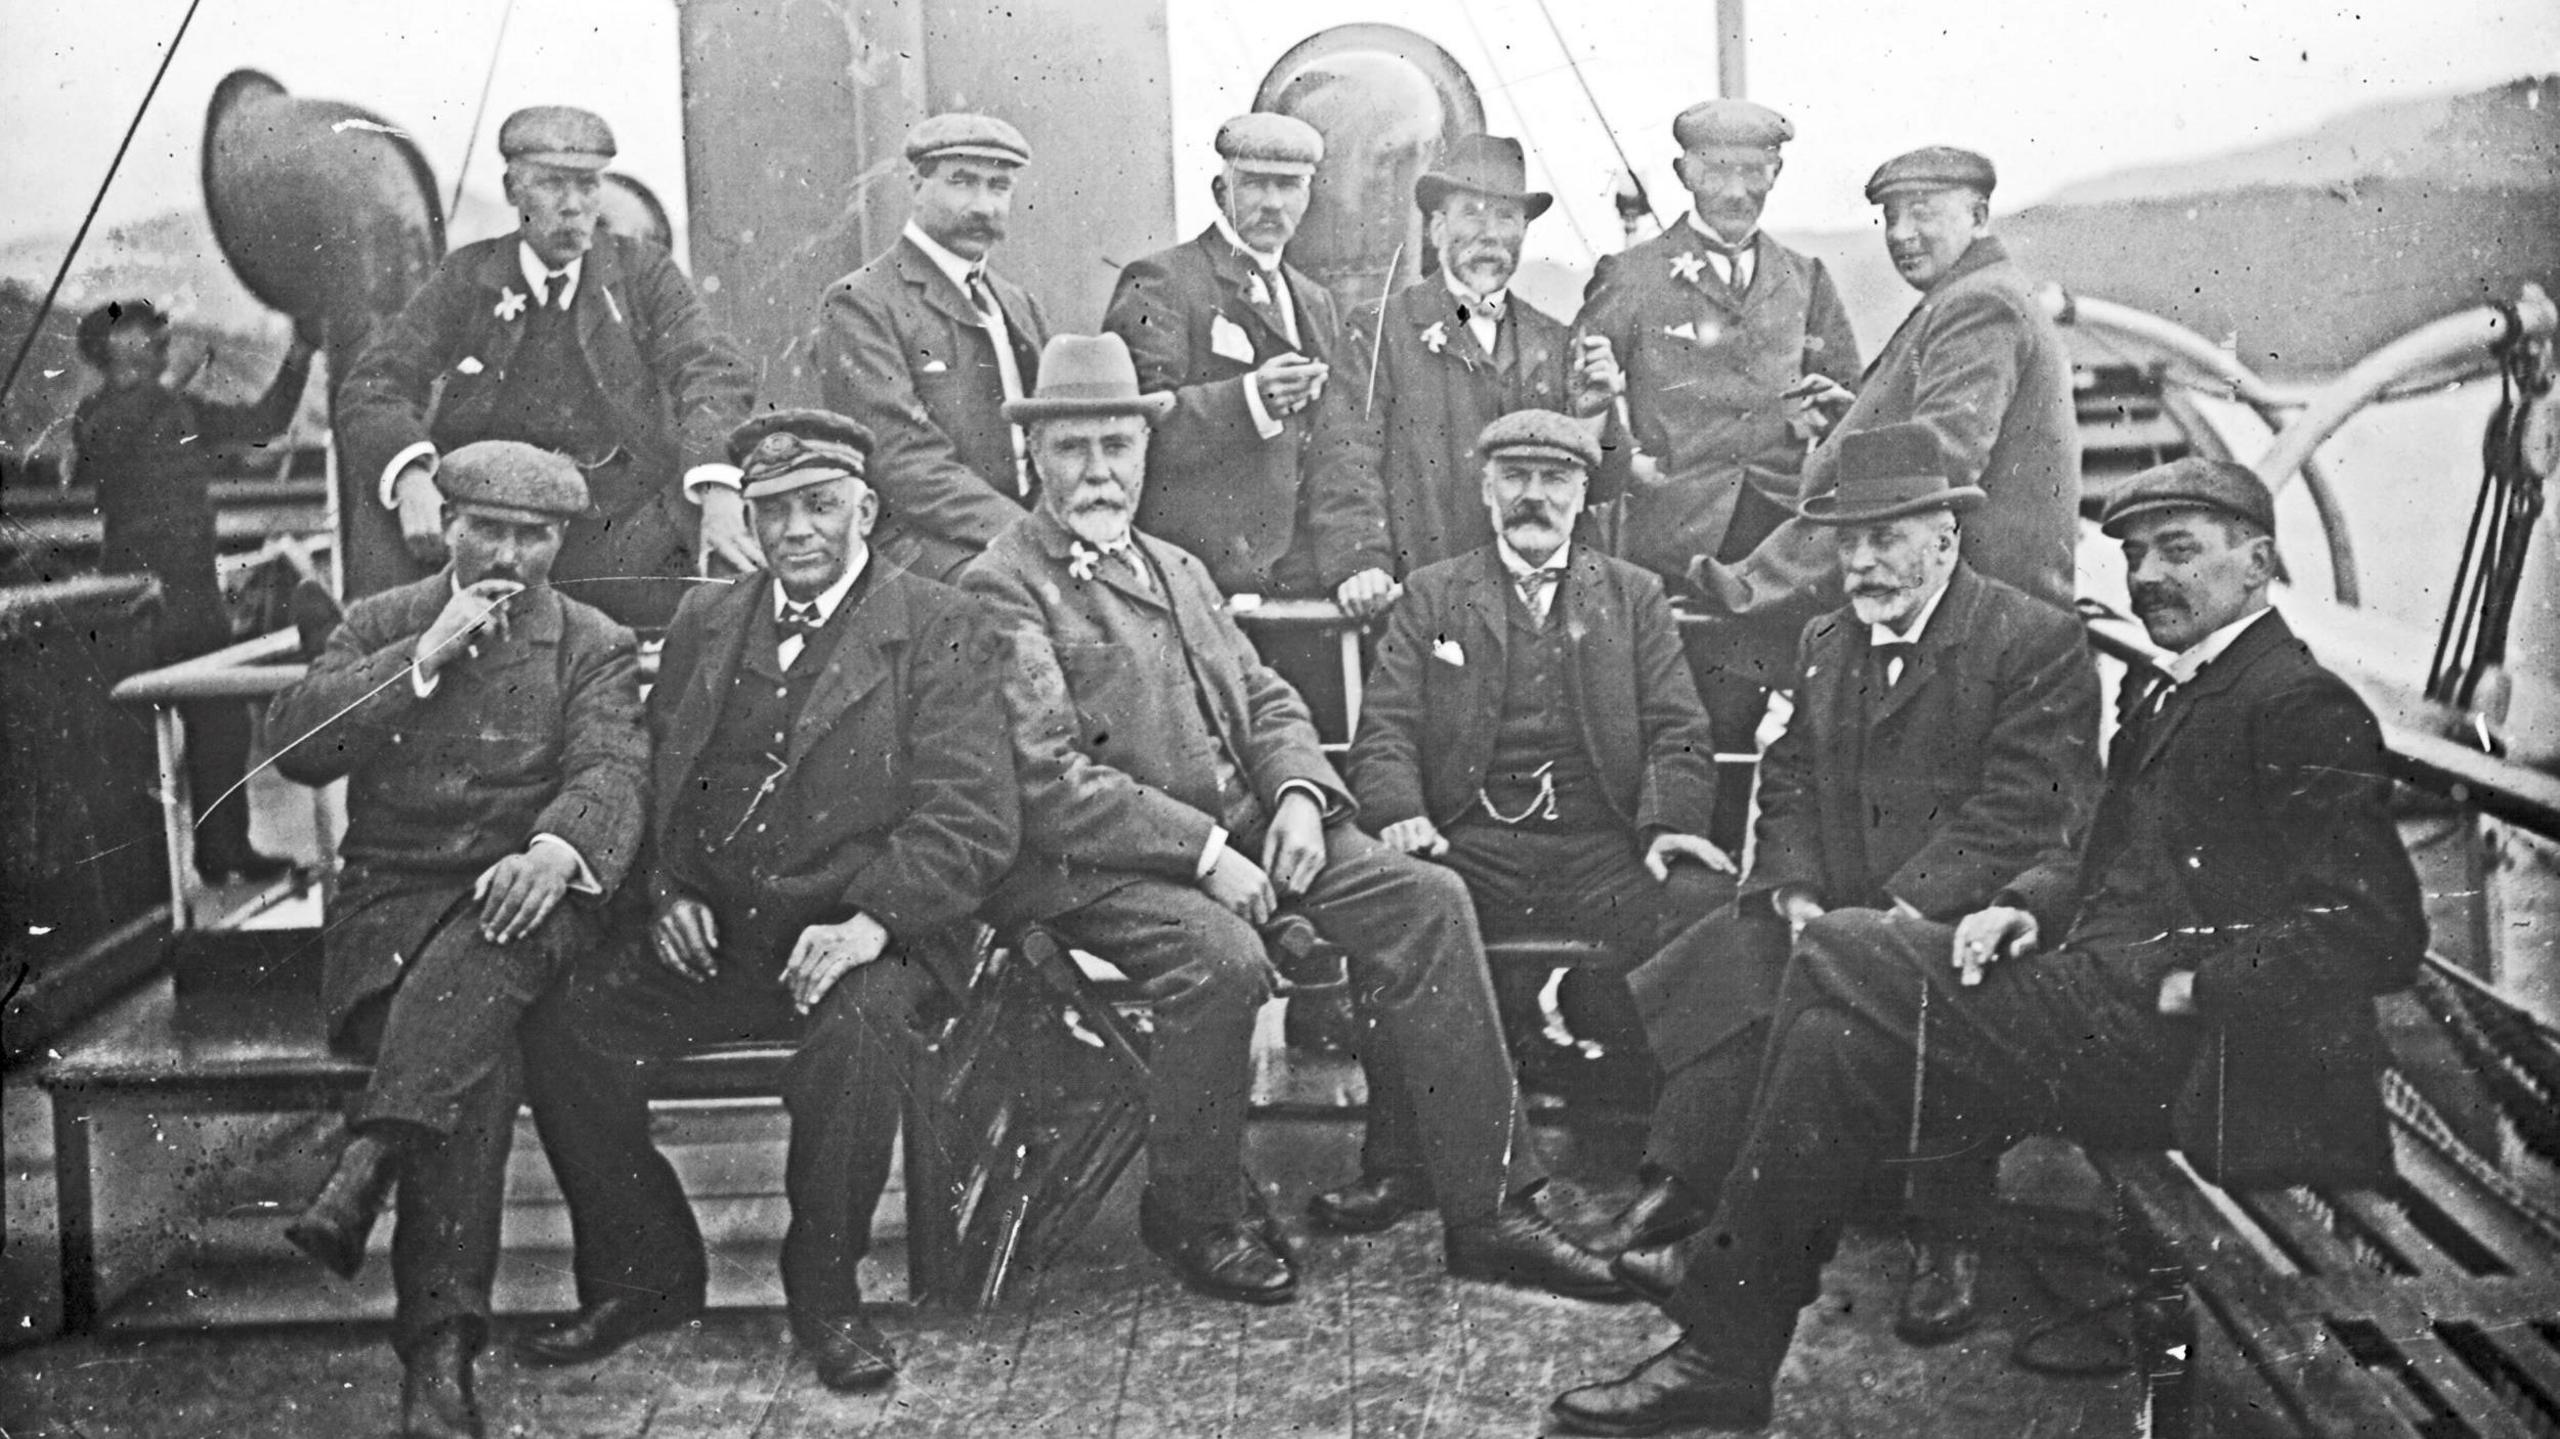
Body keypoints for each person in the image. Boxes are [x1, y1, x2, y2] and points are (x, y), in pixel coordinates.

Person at [1550, 457, 2427, 1436]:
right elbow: (2095, 859)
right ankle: (1725, 1359)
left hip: (2201, 1059)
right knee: (1832, 1044)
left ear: (2260, 562)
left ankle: (1717, 1253)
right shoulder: (2186, 689)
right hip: (2101, 1009)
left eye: (2179, 551)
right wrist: (2018, 904)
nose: (2147, 578)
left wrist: (2188, 984)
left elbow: (2375, 928)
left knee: (1837, 948)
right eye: (2134, 555)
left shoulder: (2294, 703)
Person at [960, 333, 1622, 1307]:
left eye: (1117, 444)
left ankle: (1490, 1209)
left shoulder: (1173, 564)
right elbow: (1049, 781)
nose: (1100, 468)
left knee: (1424, 897)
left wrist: (1305, 797)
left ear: (1145, 450)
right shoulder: (1004, 582)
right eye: (1074, 448)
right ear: (1036, 459)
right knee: (1222, 960)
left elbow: (1266, 700)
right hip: (1099, 866)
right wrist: (1209, 849)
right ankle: (1192, 1208)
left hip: (1248, 830)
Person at [518, 410, 1016, 1392]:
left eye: (820, 505)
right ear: (747, 515)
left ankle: (824, 1287)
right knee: (569, 1026)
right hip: (727, 935)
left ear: (865, 508)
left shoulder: (939, 622)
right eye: (773, 509)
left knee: (862, 1037)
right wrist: (664, 892)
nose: (797, 530)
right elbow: (657, 777)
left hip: (878, 935)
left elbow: (972, 817)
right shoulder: (709, 619)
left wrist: (869, 919)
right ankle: (646, 1269)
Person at [1601, 423, 2101, 1332]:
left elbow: (2024, 810)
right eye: (1849, 541)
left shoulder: (2032, 641)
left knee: (1885, 989)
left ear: (1946, 537)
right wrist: (1793, 889)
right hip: (1835, 901)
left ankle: (1946, 1227)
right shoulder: (1829, 638)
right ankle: (1680, 1184)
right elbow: (1787, 776)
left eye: (1887, 538)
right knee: (1743, 946)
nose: (1862, 562)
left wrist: (1897, 909)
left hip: (1961, 912)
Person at [267, 442, 648, 1439]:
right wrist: (422, 657)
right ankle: (439, 1351)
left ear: (560, 541)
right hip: (392, 914)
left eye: (535, 535)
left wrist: (558, 850)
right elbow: (301, 743)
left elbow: (611, 768)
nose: (511, 554)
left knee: (492, 950)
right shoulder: (383, 621)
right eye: (490, 529)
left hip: (526, 900)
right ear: (447, 525)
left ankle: (380, 1188)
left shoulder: (592, 642)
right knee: (471, 1060)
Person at [1322, 409, 1735, 1236]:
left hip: (1601, 845)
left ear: (1583, 494)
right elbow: (1386, 734)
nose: (1533, 498)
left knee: (1703, 907)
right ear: (1485, 488)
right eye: (1515, 478)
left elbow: (1679, 728)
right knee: (1396, 908)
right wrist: (1401, 815)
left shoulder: (1632, 594)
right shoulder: (1434, 594)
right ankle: (1400, 1160)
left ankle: (1679, 1167)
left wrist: (1666, 826)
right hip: (1472, 843)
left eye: (1553, 480)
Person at [336, 105, 756, 629]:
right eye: (552, 185)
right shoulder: (468, 277)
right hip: (495, 525)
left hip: (615, 531)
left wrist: (718, 489)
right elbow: (376, 385)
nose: (574, 207)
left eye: (587, 185)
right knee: (391, 484)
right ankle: (366, 638)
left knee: (721, 559)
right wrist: (412, 474)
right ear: (513, 190)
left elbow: (710, 368)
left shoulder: (643, 274)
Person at [1694, 146, 2081, 657]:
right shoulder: (1974, 293)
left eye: (1922, 211)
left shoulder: (1979, 302)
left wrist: (1751, 587)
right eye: (1890, 217)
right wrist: (1856, 416)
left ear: (1979, 216)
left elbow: (1940, 463)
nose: (1900, 234)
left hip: (1975, 627)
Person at [1572, 99, 1861, 733]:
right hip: (1674, 548)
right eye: (1717, 170)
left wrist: (1824, 421)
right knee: (1676, 731)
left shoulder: (1807, 280)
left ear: (1776, 173)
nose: (1736, 190)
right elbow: (1581, 407)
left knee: (1773, 735)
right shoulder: (1632, 276)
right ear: (1684, 173)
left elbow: (1848, 407)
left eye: (1754, 171)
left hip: (1781, 549)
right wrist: (1635, 461)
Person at [1307, 136, 1621, 617]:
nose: (1491, 234)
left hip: (1524, 612)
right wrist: (1360, 563)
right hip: (1414, 607)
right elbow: (1346, 457)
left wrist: (1596, 414)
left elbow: (1592, 486)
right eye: (1473, 213)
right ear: (1436, 228)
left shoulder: (1555, 341)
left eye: (1506, 218)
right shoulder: (1380, 330)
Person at [72, 298, 312, 883]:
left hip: (192, 592)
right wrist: (171, 388)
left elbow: (263, 423)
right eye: (140, 329)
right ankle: (140, 887)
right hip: (140, 599)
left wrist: (299, 357)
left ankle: (223, 850)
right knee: (134, 744)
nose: (161, 334)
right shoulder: (97, 415)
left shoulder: (171, 406)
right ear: (108, 350)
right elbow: (114, 443)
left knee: (223, 726)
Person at [1101, 113, 1343, 597]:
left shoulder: (1315, 300)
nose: (1273, 203)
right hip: (1200, 573)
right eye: (1254, 184)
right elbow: (1134, 427)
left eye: (1290, 185)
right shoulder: (1163, 281)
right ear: (1219, 191)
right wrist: (1250, 398)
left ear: (1309, 195)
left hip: (1300, 576)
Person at [812, 113, 1050, 581]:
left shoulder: (1018, 305)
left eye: (999, 186)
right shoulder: (860, 302)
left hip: (1021, 539)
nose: (983, 205)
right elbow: (903, 463)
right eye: (962, 182)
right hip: (919, 548)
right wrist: (1034, 541)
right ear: (915, 185)